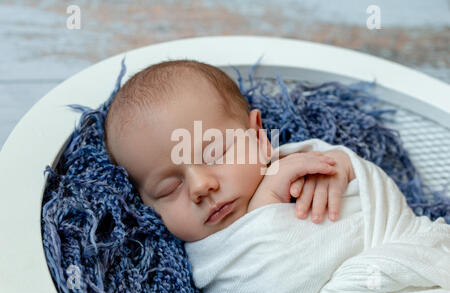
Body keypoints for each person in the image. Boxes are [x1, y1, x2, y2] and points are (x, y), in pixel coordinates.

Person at [104, 59, 355, 242]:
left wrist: (341, 166)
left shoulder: (296, 161)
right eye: (169, 188)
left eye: (215, 153)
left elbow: (378, 192)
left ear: (258, 136)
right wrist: (265, 202)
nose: (201, 186)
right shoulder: (202, 262)